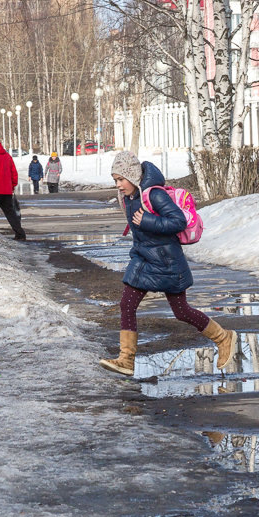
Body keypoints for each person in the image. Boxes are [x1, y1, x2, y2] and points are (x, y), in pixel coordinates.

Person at [99, 151, 236, 377]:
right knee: (127, 305)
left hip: (166, 262)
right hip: (143, 259)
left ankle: (224, 337)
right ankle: (126, 360)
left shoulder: (154, 195)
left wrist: (148, 220)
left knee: (181, 311)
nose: (119, 185)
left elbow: (178, 221)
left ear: (132, 176)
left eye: (121, 179)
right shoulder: (130, 198)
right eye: (115, 180)